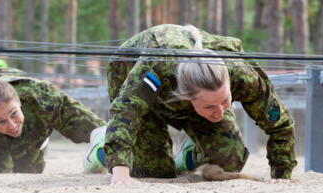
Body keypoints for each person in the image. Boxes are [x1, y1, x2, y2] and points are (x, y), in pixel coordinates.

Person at [97, 24, 297, 184]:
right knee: (154, 170)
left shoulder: (243, 76)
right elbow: (126, 112)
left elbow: (280, 124)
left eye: (225, 101)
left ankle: (188, 155)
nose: (219, 112)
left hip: (196, 91)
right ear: (185, 97)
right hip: (130, 77)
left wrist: (281, 175)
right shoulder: (157, 68)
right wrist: (120, 171)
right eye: (210, 107)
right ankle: (100, 145)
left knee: (228, 162)